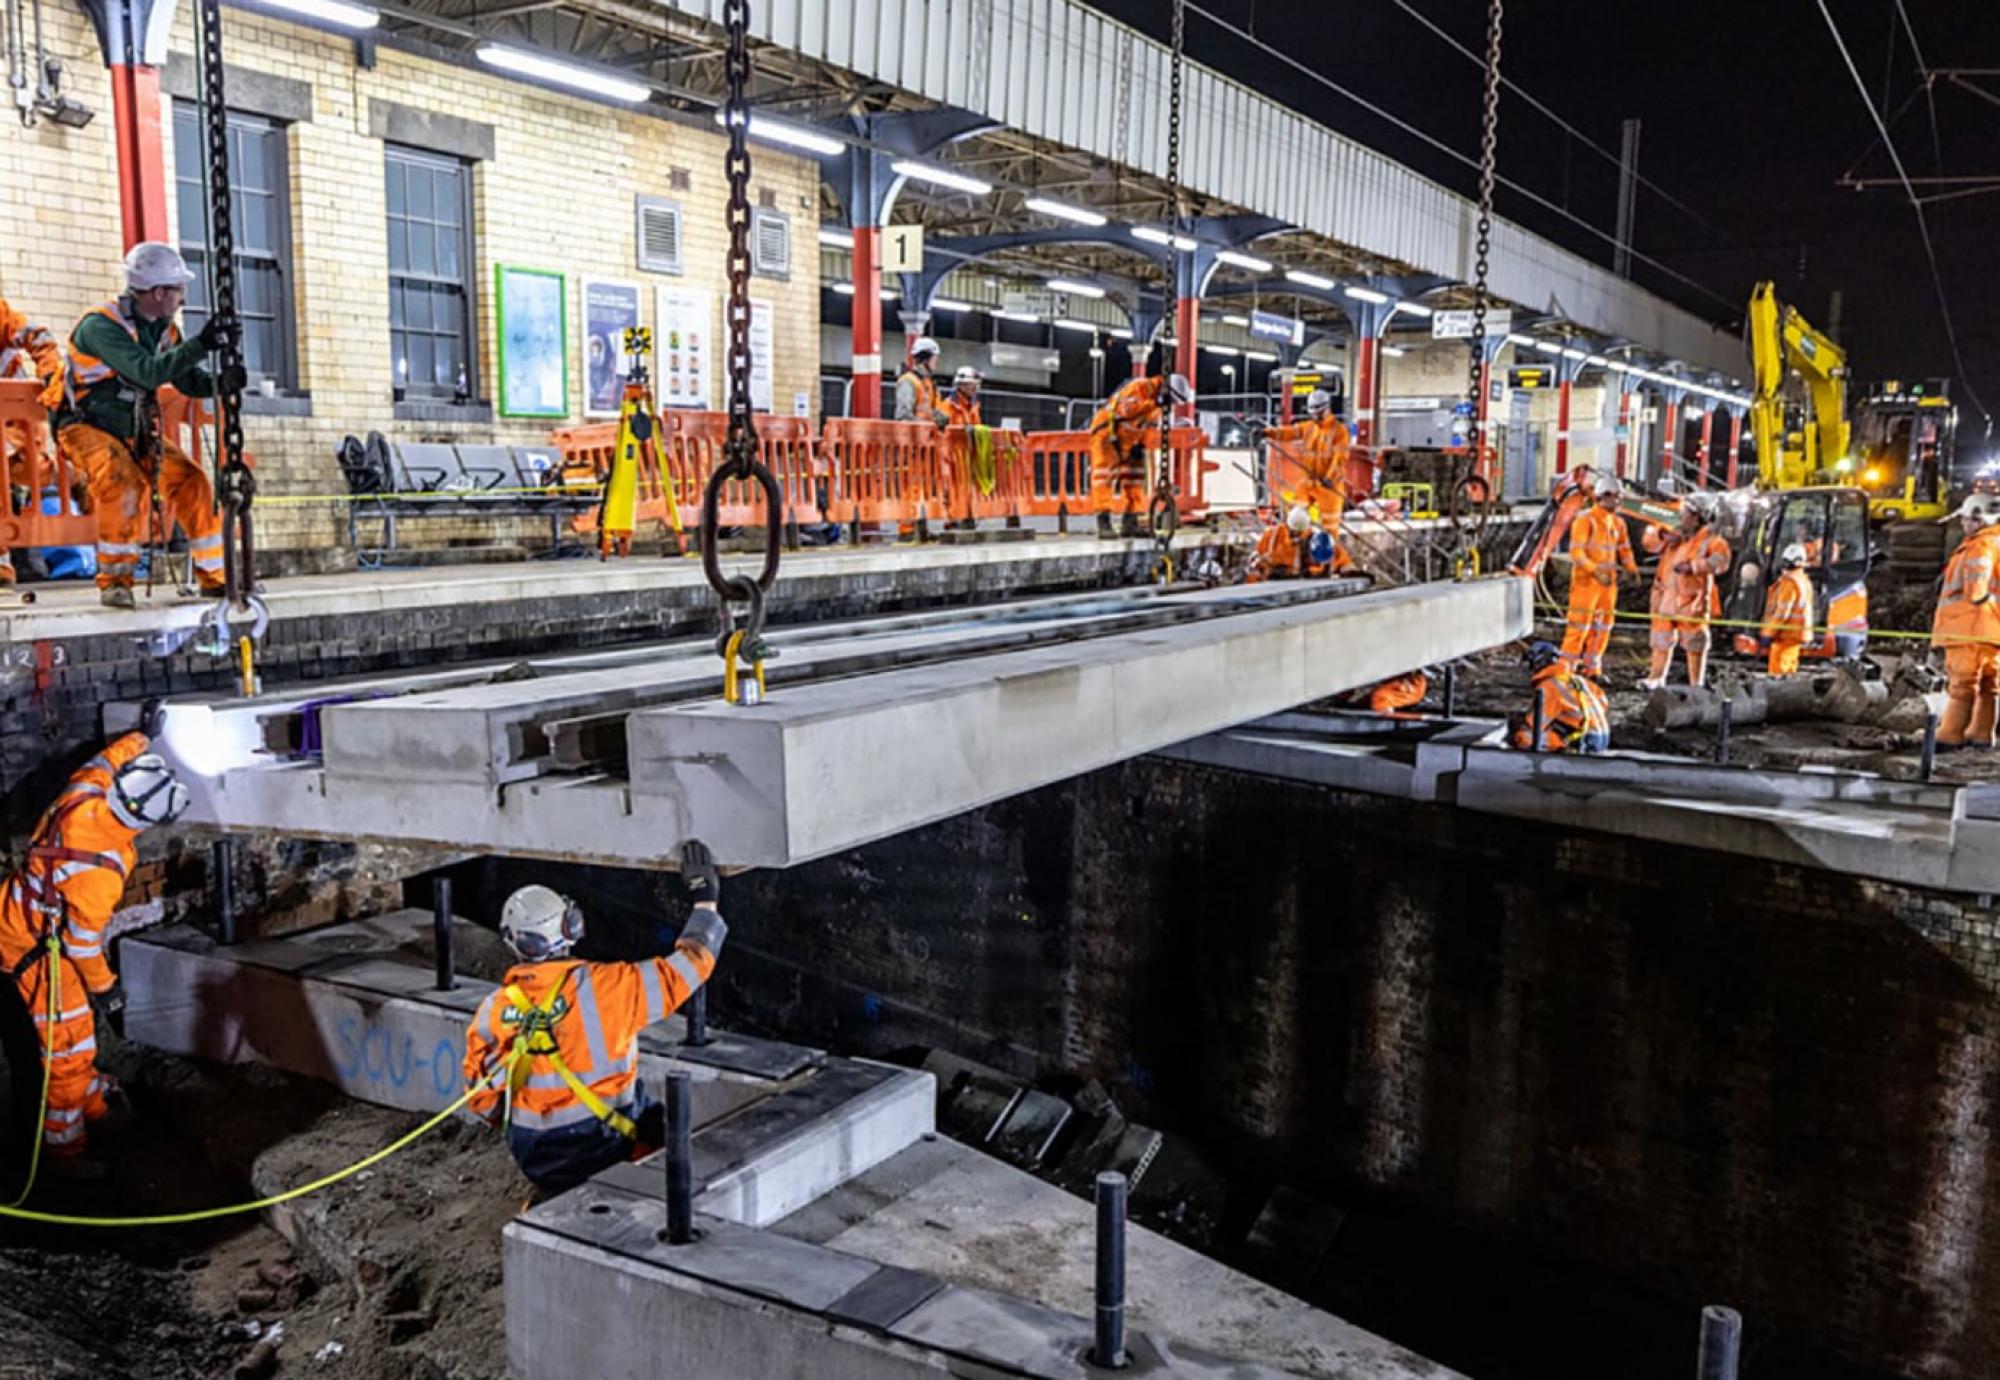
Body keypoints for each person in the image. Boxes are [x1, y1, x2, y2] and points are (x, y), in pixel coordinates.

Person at [463, 842, 727, 1192]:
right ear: (569, 928)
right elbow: (691, 965)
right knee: (660, 1121)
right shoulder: (609, 988)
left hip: (539, 1160)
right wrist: (705, 897)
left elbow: (481, 1097)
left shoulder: (493, 1011)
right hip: (608, 1145)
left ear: (514, 943)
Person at [0, 713, 187, 1179]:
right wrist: (106, 989)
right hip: (34, 953)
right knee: (65, 1050)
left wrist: (142, 735)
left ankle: (96, 1107)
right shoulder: (99, 876)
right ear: (145, 822)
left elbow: (105, 762)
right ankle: (65, 1155)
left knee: (78, 1035)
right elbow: (82, 947)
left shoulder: (84, 798)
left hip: (17, 917)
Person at [57, 242, 237, 609]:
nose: (182, 299)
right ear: (158, 292)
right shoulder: (101, 327)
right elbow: (147, 372)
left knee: (191, 481)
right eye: (179, 291)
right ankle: (115, 582)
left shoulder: (164, 330)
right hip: (86, 427)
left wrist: (223, 382)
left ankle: (216, 577)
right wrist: (202, 343)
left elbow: (186, 378)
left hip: (134, 428)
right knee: (123, 482)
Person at [0, 296, 66, 602]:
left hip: (17, 417)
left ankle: (73, 478)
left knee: (30, 473)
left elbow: (38, 337)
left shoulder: (3, 316)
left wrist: (50, 372)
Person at [1931, 495, 2000, 752]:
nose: (1962, 524)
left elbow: (1976, 589)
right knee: (1989, 685)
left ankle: (1950, 733)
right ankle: (1982, 733)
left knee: (1962, 683)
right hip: (1992, 629)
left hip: (1969, 627)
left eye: (1965, 519)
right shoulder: (1997, 542)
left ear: (1978, 519)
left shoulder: (1979, 546)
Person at [1088, 372, 1192, 538]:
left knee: (1135, 478)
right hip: (1107, 434)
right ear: (1164, 388)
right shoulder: (1140, 387)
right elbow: (1127, 410)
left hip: (1131, 440)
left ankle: (1130, 521)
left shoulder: (1158, 408)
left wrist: (1141, 444)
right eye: (1171, 400)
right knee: (1104, 477)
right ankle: (1104, 522)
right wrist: (1153, 404)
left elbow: (1147, 426)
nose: (1170, 404)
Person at [1559, 474, 1638, 679]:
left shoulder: (1617, 523)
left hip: (1607, 586)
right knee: (1579, 627)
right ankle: (1566, 671)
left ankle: (1592, 668)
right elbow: (1577, 553)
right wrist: (1596, 571)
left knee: (1603, 628)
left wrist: (1632, 570)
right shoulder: (1585, 520)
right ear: (1604, 496)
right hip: (1586, 585)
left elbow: (1625, 549)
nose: (1619, 501)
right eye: (1616, 497)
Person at [1650, 493, 1731, 690]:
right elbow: (1649, 542)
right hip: (1666, 600)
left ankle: (1697, 685)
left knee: (1695, 644)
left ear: (1696, 517)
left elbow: (1721, 562)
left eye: (1684, 513)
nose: (1680, 517)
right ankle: (1656, 678)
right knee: (1661, 641)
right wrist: (1661, 535)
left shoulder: (1712, 541)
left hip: (1691, 602)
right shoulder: (1676, 536)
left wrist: (1693, 567)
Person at [1261, 389, 1351, 543]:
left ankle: (1328, 558)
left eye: (1318, 412)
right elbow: (1288, 432)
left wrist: (1330, 478)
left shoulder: (1339, 431)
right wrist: (1267, 433)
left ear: (1327, 408)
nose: (1315, 415)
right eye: (1313, 412)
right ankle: (1298, 547)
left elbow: (1340, 458)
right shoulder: (1309, 428)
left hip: (1330, 487)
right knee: (1295, 516)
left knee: (1329, 527)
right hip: (1310, 482)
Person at [1510, 640, 1610, 754]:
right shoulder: (1578, 680)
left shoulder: (1549, 686)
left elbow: (1536, 723)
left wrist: (1518, 725)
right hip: (1603, 736)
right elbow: (1603, 702)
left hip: (1583, 741)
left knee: (1523, 737)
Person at [1246, 504, 1349, 582]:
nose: (1296, 535)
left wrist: (1348, 572)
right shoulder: (1274, 538)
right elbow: (1255, 563)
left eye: (1299, 533)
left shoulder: (1319, 540)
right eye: (1294, 532)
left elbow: (1343, 563)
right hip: (1279, 581)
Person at [1759, 543, 1816, 678]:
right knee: (1790, 672)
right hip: (1797, 635)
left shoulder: (1789, 584)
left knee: (1778, 674)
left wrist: (1768, 632)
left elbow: (1781, 613)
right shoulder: (1804, 581)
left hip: (1785, 636)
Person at [893, 337, 947, 428]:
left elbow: (927, 411)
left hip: (929, 439)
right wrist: (931, 424)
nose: (937, 361)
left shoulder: (930, 383)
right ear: (925, 359)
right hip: (915, 439)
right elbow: (903, 418)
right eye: (934, 358)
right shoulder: (908, 381)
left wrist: (938, 416)